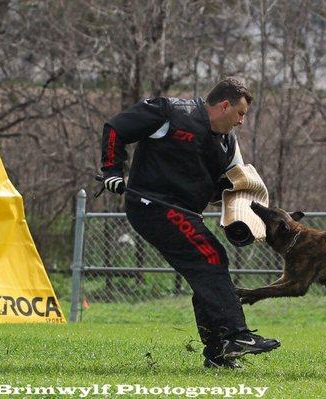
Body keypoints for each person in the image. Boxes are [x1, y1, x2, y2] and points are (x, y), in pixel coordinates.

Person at [99, 77, 280, 369]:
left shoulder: (228, 144)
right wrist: (111, 169)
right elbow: (116, 128)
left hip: (183, 212)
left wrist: (252, 217)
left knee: (209, 262)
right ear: (224, 106)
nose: (242, 122)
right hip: (151, 204)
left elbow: (236, 187)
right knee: (208, 256)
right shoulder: (169, 112)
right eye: (240, 114)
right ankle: (234, 334)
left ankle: (219, 351)